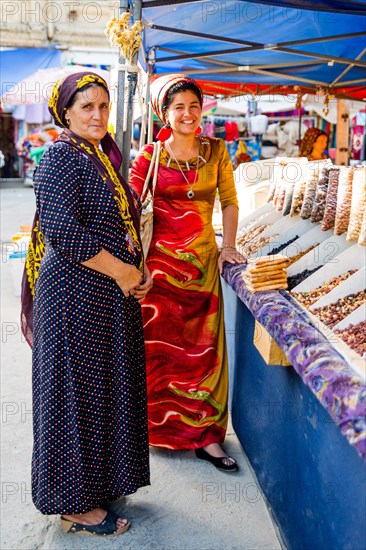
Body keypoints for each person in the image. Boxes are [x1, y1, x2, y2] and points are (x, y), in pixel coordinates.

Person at [21, 72, 152, 537]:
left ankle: (100, 482)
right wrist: (124, 272)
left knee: (106, 387)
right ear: (67, 112)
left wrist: (137, 272)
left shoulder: (98, 155)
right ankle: (74, 503)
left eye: (103, 106)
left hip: (107, 294)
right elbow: (64, 230)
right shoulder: (59, 156)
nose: (98, 115)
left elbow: (120, 223)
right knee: (74, 394)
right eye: (87, 107)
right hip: (73, 294)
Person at [129, 74, 244, 472]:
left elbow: (229, 201)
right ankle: (156, 432)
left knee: (205, 355)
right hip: (158, 275)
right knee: (159, 357)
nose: (188, 114)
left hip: (203, 270)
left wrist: (228, 245)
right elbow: (129, 212)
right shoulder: (150, 156)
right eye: (179, 107)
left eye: (194, 106)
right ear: (165, 113)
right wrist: (133, 266)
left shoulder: (216, 151)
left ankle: (208, 438)